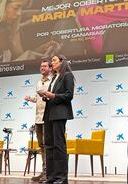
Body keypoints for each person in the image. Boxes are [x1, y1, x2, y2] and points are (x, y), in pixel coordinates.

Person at [39, 54, 74, 184]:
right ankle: (51, 177)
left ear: (62, 62)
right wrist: (45, 96)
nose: (51, 63)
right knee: (49, 145)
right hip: (49, 113)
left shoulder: (67, 75)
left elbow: (69, 95)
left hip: (60, 113)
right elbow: (51, 95)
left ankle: (61, 178)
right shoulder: (54, 77)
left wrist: (53, 95)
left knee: (59, 145)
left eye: (54, 60)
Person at [24, 59, 53, 182]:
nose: (42, 68)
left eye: (45, 66)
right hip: (38, 119)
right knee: (41, 146)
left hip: (48, 118)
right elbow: (38, 98)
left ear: (50, 68)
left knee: (48, 146)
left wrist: (46, 95)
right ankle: (44, 172)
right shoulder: (38, 83)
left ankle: (49, 173)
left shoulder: (53, 81)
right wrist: (31, 99)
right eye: (41, 66)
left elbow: (54, 97)